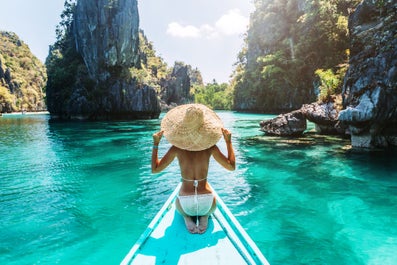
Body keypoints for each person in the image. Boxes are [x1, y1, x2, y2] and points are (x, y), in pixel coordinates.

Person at [151, 104, 235, 234]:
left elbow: (155, 169)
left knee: (179, 200)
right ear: (204, 128)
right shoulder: (211, 148)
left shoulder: (176, 149)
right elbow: (231, 167)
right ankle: (205, 216)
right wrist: (228, 142)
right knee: (208, 195)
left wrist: (156, 144)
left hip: (185, 205)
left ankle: (186, 217)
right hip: (208, 204)